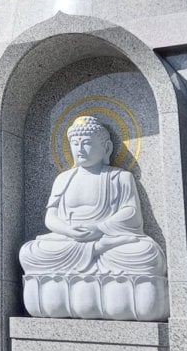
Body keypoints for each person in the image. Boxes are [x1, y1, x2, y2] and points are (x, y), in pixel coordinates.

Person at [19, 114, 164, 277]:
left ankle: (96, 251)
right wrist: (68, 230)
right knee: (29, 252)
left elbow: (131, 213)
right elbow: (50, 217)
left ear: (106, 148)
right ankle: (95, 250)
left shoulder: (119, 177)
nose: (79, 149)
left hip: (107, 240)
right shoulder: (63, 179)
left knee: (147, 252)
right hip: (70, 241)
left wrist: (99, 228)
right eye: (75, 144)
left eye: (86, 143)